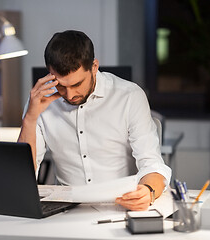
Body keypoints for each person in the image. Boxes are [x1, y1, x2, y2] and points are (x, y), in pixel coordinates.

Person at [18, 30, 171, 211]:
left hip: (120, 205)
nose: (69, 94)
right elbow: (22, 177)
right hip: (65, 209)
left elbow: (151, 163)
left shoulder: (129, 96)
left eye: (76, 84)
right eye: (60, 85)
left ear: (94, 67)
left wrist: (148, 191)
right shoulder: (39, 101)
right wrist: (30, 118)